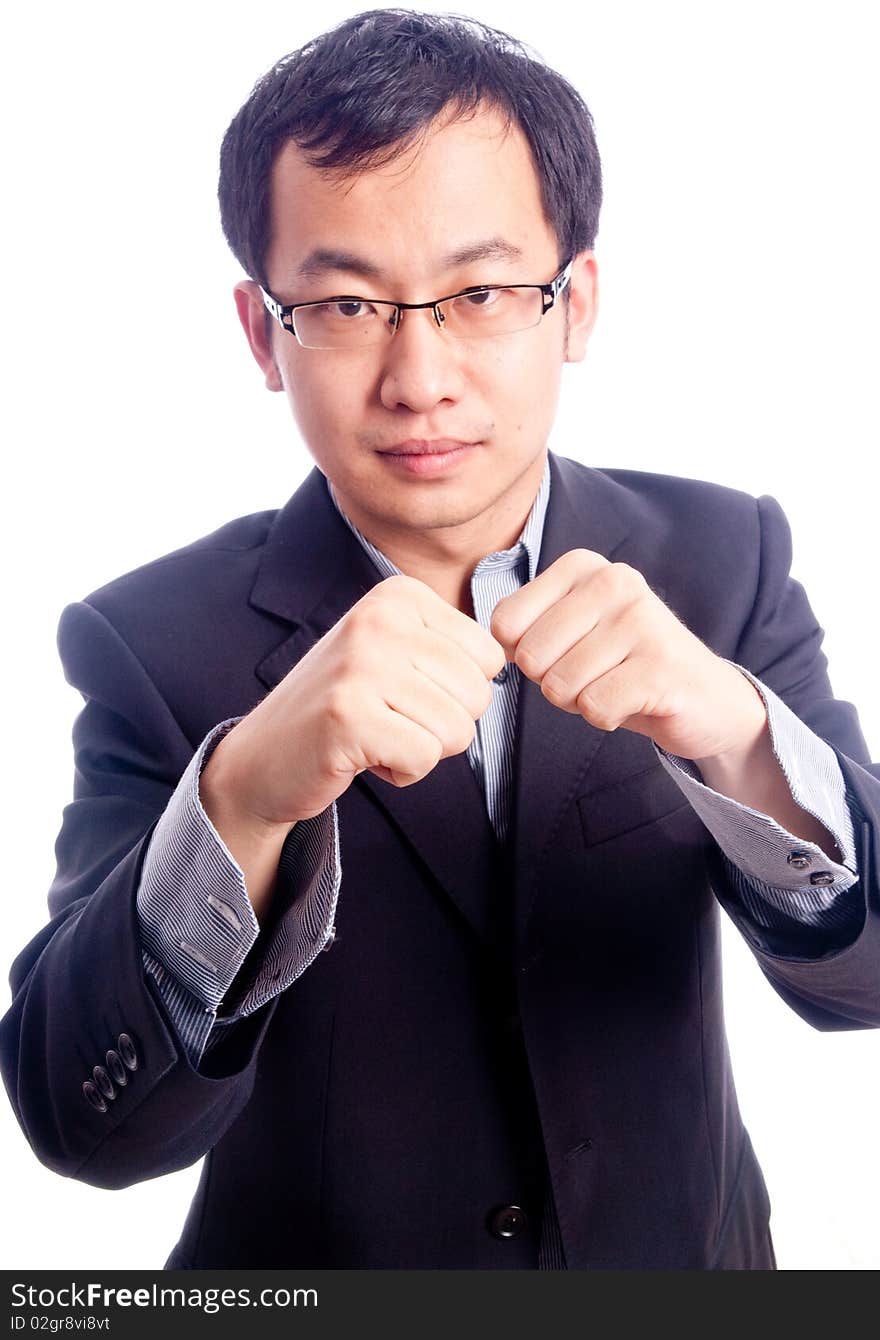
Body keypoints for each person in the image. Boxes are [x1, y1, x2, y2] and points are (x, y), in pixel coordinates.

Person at [1, 8, 878, 1270]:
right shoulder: (147, 639)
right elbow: (84, 1123)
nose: (419, 376)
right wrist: (241, 798)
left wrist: (740, 737)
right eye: (348, 302)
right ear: (263, 333)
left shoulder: (720, 557)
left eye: (479, 293)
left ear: (572, 302)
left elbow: (865, 984)